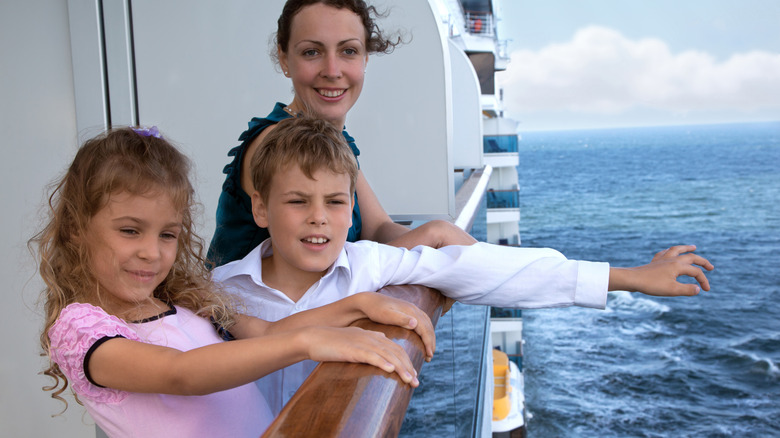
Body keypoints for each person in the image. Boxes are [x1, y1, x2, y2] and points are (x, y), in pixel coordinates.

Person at [212, 116, 715, 415]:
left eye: (336, 202)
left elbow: (487, 269)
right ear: (260, 209)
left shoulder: (371, 263)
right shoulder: (221, 290)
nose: (319, 218)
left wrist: (628, 277)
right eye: (298, 201)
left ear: (352, 209)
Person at [32, 126, 436, 437]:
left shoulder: (179, 299)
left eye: (168, 234)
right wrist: (306, 344)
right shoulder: (81, 331)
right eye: (130, 231)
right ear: (75, 230)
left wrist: (359, 307)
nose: (152, 253)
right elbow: (182, 373)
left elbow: (267, 331)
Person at [207, 0, 476, 267]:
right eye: (312, 52)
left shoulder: (332, 141)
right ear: (284, 58)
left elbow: (378, 228)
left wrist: (436, 244)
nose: (333, 71)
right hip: (251, 309)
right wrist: (434, 234)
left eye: (348, 51)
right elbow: (324, 272)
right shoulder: (280, 144)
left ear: (365, 58)